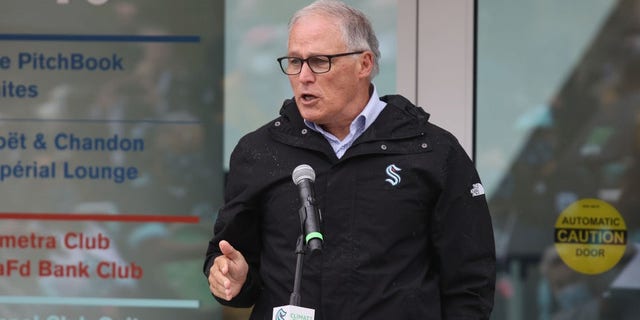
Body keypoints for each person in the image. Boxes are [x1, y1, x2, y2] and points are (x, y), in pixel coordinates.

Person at [203, 0, 496, 319]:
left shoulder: (430, 151)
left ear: (364, 64)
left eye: (318, 61)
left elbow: (469, 283)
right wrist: (231, 277)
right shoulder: (259, 150)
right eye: (294, 61)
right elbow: (231, 259)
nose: (303, 76)